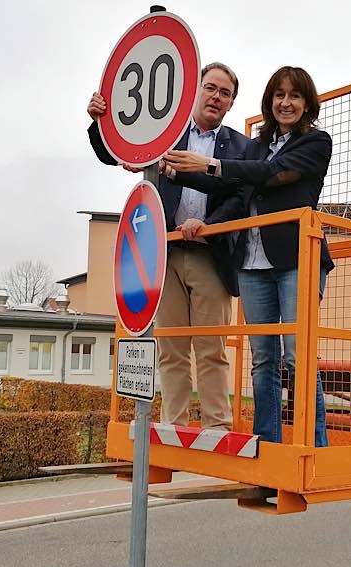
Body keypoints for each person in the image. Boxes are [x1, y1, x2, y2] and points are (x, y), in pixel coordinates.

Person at [161, 66, 332, 447]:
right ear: (269, 102)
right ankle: (268, 446)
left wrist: (208, 163)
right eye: (278, 95)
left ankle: (313, 448)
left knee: (296, 357)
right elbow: (229, 180)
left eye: (294, 96)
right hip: (254, 264)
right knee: (264, 359)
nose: (285, 103)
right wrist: (176, 173)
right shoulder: (255, 146)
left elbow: (269, 173)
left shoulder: (316, 143)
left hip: (295, 260)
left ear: (307, 104)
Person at [86, 62, 249, 430]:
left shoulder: (240, 146)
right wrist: (99, 123)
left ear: (232, 102)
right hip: (165, 254)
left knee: (211, 348)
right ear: (194, 91)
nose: (216, 97)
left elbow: (241, 195)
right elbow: (115, 153)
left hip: (211, 253)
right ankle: (173, 423)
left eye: (225, 93)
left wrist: (210, 224)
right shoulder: (166, 136)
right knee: (172, 347)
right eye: (210, 88)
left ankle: (216, 426)